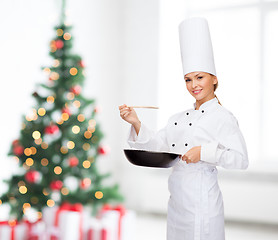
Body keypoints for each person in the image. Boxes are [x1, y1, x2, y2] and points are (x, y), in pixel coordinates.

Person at [118, 17, 248, 240]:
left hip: (203, 205)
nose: (194, 85)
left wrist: (204, 152)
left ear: (214, 79)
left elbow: (240, 159)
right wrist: (136, 122)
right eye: (188, 79)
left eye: (200, 77)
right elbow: (158, 145)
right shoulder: (178, 117)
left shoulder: (223, 117)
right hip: (177, 201)